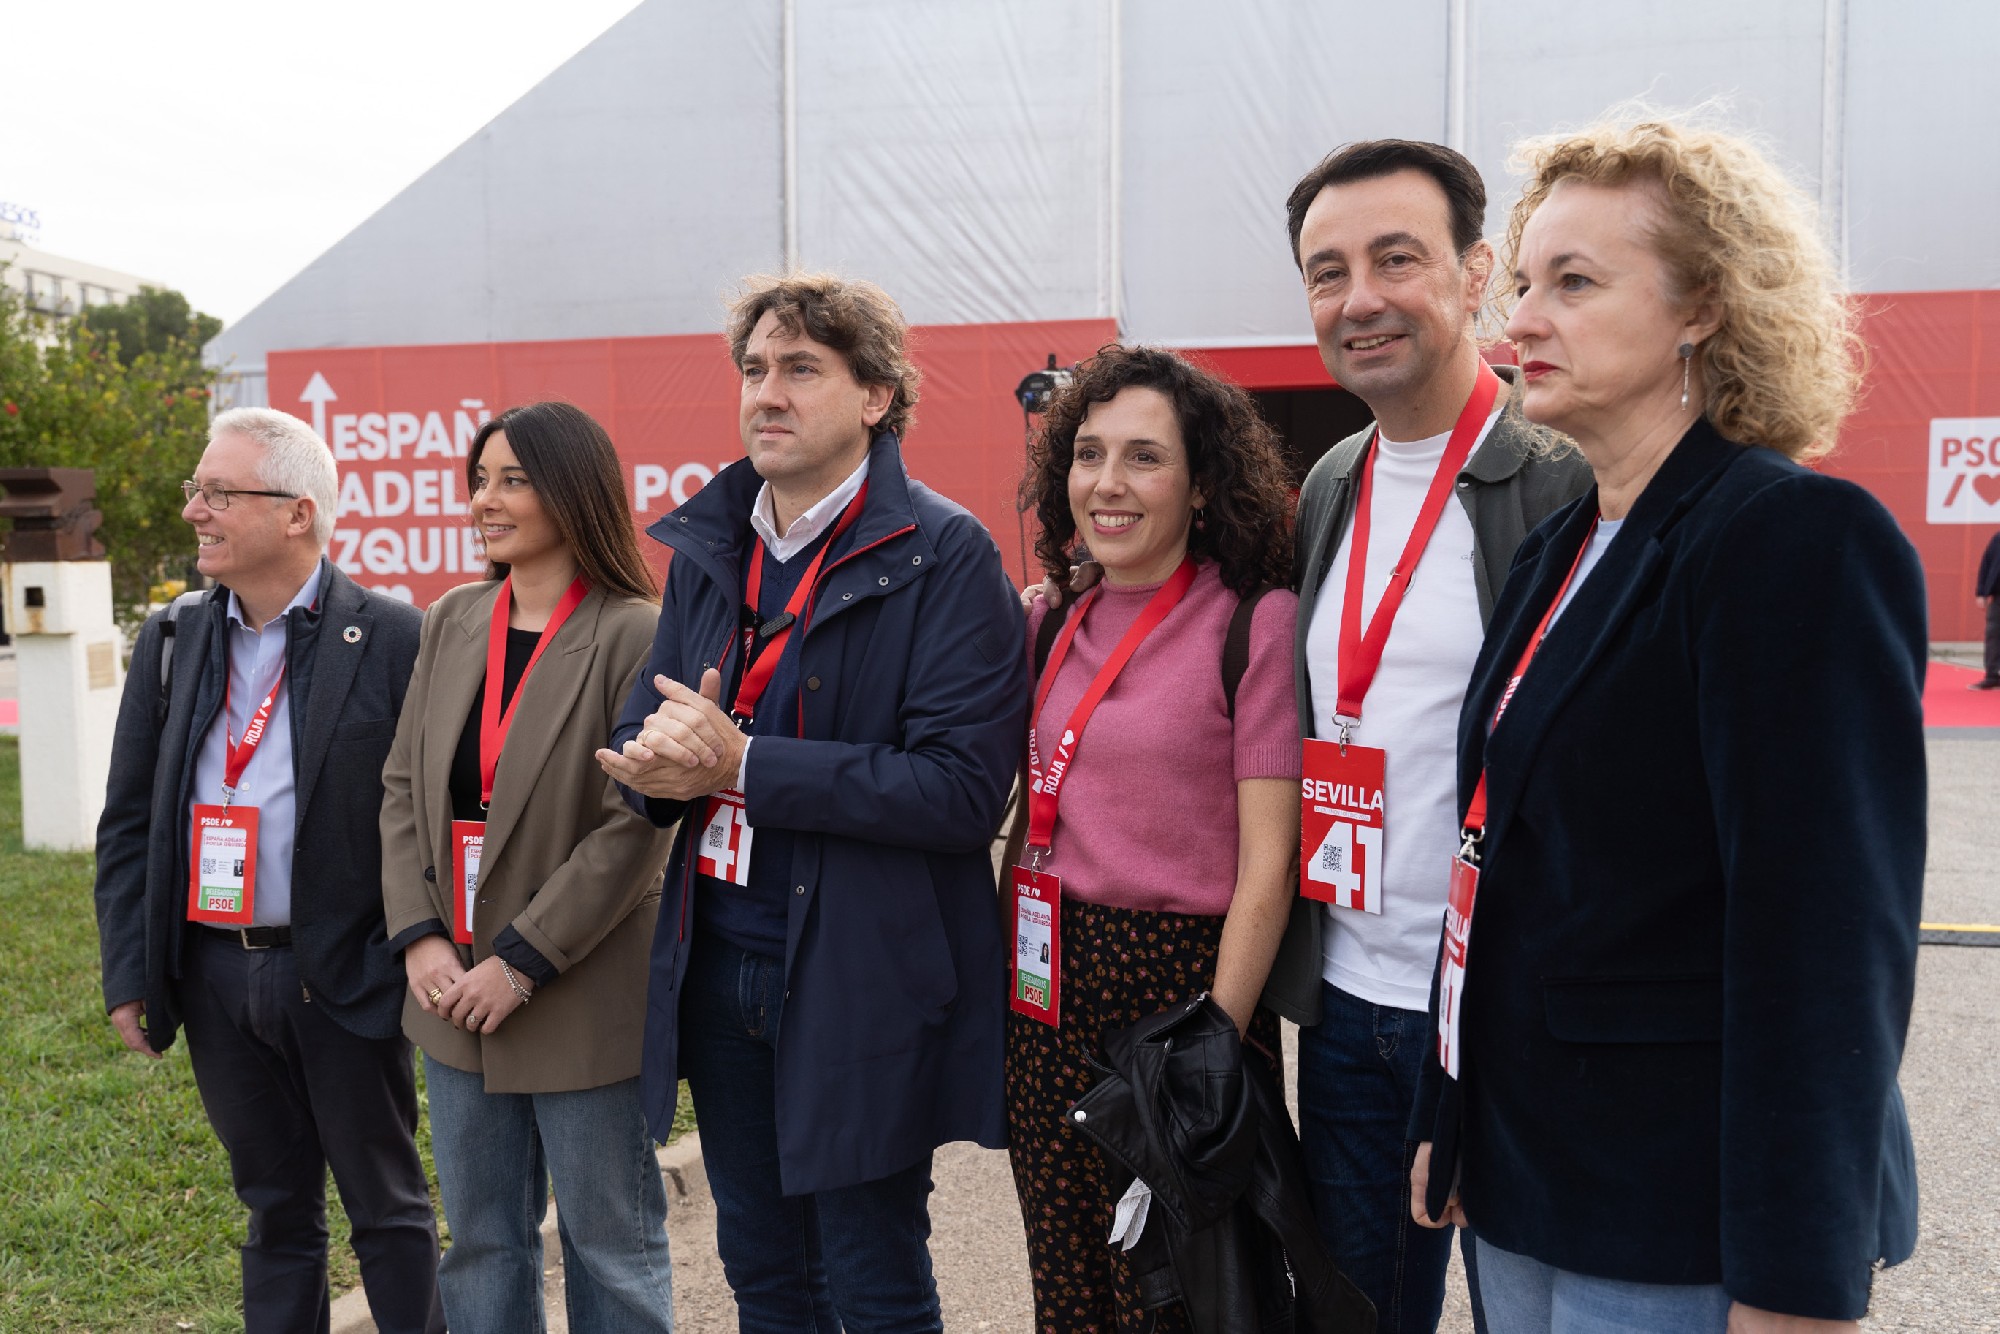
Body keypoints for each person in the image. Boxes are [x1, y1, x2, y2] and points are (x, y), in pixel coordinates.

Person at [1409, 115, 1924, 1333]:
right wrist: (1453, 1109)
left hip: (1675, 1211)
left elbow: (1823, 945)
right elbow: (1497, 855)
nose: (1517, 318)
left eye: (1572, 283)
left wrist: (1795, 1280)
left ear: (1700, 304)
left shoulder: (1789, 543)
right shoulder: (1560, 545)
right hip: (1527, 1180)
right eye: (1523, 281)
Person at [595, 272, 1026, 1332]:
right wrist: (648, 766)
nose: (766, 394)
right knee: (765, 1275)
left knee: (868, 1281)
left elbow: (962, 788)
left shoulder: (945, 551)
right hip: (719, 962)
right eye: (753, 369)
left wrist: (741, 766)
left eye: (800, 368)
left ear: (876, 395)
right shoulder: (714, 543)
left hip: (858, 973)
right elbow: (646, 720)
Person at [1257, 138, 1590, 1334]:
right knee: (1354, 1314)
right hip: (1350, 1002)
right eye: (1325, 270)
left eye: (1396, 258)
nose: (1359, 298)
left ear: (1473, 271)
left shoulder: (1560, 478)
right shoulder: (1331, 480)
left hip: (1499, 1010)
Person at [93, 408, 443, 1333]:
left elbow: (433, 819)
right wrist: (131, 971)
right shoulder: (171, 641)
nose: (195, 511)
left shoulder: (398, 638)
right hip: (213, 974)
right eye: (193, 490)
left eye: (217, 493)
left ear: (298, 514)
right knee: (273, 1211)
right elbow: (128, 822)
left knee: (390, 1212)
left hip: (345, 971)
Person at [1007, 345, 1303, 1329]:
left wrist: (1214, 1036)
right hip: (1048, 1002)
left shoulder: (1252, 624)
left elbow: (1269, 860)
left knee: (1189, 1297)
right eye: (1087, 455)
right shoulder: (1049, 620)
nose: (1106, 482)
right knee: (1073, 1290)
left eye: (1143, 457)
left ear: (1202, 484)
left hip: (1180, 1003)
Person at [380, 401, 677, 1332]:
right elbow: (401, 790)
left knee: (610, 1250)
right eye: (480, 478)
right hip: (453, 994)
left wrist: (521, 961)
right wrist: (420, 940)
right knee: (481, 1243)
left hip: (578, 994)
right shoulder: (453, 620)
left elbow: (636, 827)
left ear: (574, 491)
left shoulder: (638, 632)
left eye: (513, 479)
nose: (485, 499)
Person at [1973, 529, 2000, 688]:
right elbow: (1986, 563)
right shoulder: (1997, 538)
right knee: (1993, 634)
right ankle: (1992, 675)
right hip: (1998, 597)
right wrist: (1981, 592)